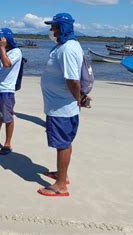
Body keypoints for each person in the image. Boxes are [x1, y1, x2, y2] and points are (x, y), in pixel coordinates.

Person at [39, 13, 84, 197]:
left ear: (62, 28)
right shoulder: (64, 47)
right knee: (65, 142)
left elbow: (73, 80)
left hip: (62, 108)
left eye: (54, 27)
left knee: (62, 144)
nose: (52, 31)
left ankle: (60, 185)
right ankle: (61, 174)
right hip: (59, 106)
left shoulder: (67, 49)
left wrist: (79, 98)